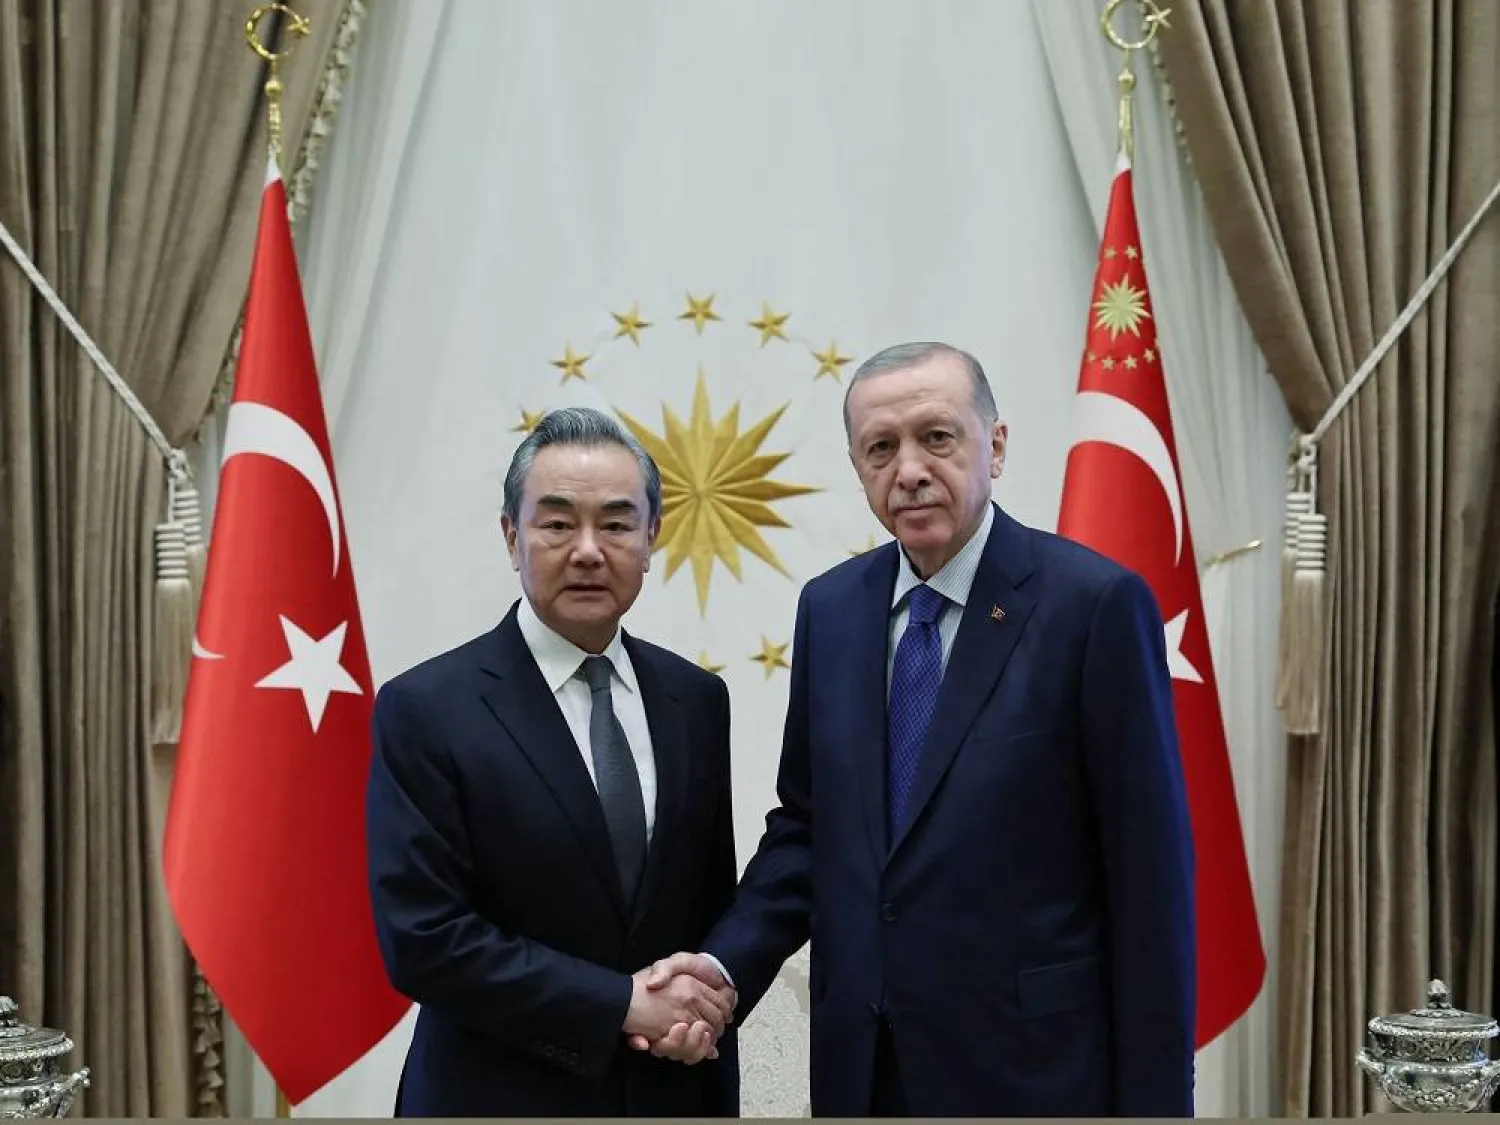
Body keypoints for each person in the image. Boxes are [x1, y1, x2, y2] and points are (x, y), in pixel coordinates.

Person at [632, 342, 1196, 1116]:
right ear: (858, 466)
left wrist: (1160, 1106)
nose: (910, 469)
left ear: (993, 445)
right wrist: (720, 970)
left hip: (1036, 1078)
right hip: (863, 1073)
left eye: (938, 437)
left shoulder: (1093, 607)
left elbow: (1149, 881)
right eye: (880, 448)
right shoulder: (832, 610)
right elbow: (807, 829)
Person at [366, 406, 741, 1117]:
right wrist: (621, 1003)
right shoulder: (428, 707)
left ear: (653, 536)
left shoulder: (696, 699)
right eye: (559, 522)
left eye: (618, 522)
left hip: (674, 1091)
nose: (589, 549)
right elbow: (425, 940)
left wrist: (699, 1010)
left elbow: (704, 907)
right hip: (496, 1095)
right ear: (513, 536)